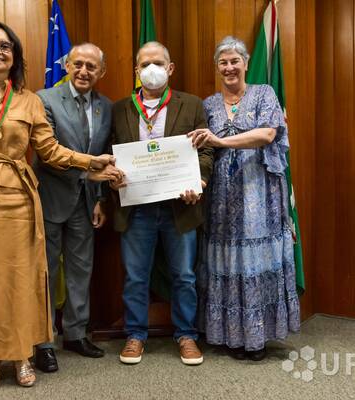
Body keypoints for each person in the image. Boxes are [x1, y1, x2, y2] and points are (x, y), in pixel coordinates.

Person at [0, 21, 120, 388]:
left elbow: (49, 150)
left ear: (15, 55)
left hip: (17, 198)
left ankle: (21, 354)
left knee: (19, 277)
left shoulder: (30, 100)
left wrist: (90, 162)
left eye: (5, 46)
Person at [189, 36, 300, 361]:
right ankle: (229, 336)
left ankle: (258, 337)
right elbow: (199, 146)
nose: (229, 67)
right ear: (217, 67)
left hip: (260, 194)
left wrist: (221, 142)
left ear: (246, 63)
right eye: (223, 62)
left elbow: (267, 133)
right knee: (226, 260)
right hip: (220, 197)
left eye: (234, 61)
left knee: (256, 260)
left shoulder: (264, 93)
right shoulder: (207, 104)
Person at [109, 41, 213, 366]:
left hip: (179, 208)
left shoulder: (192, 104)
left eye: (157, 63)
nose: (151, 69)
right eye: (144, 64)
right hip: (136, 208)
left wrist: (199, 181)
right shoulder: (119, 109)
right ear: (136, 70)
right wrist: (112, 177)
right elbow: (110, 154)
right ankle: (135, 335)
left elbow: (206, 150)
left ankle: (186, 335)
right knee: (135, 277)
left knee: (184, 276)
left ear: (170, 68)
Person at [32, 42, 111, 372]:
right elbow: (48, 152)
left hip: (86, 201)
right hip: (51, 197)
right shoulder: (44, 99)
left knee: (81, 270)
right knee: (46, 271)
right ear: (66, 66)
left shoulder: (106, 106)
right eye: (78, 64)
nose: (83, 71)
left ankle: (76, 334)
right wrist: (88, 171)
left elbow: (105, 154)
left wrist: (101, 198)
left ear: (101, 72)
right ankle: (43, 342)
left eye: (91, 66)